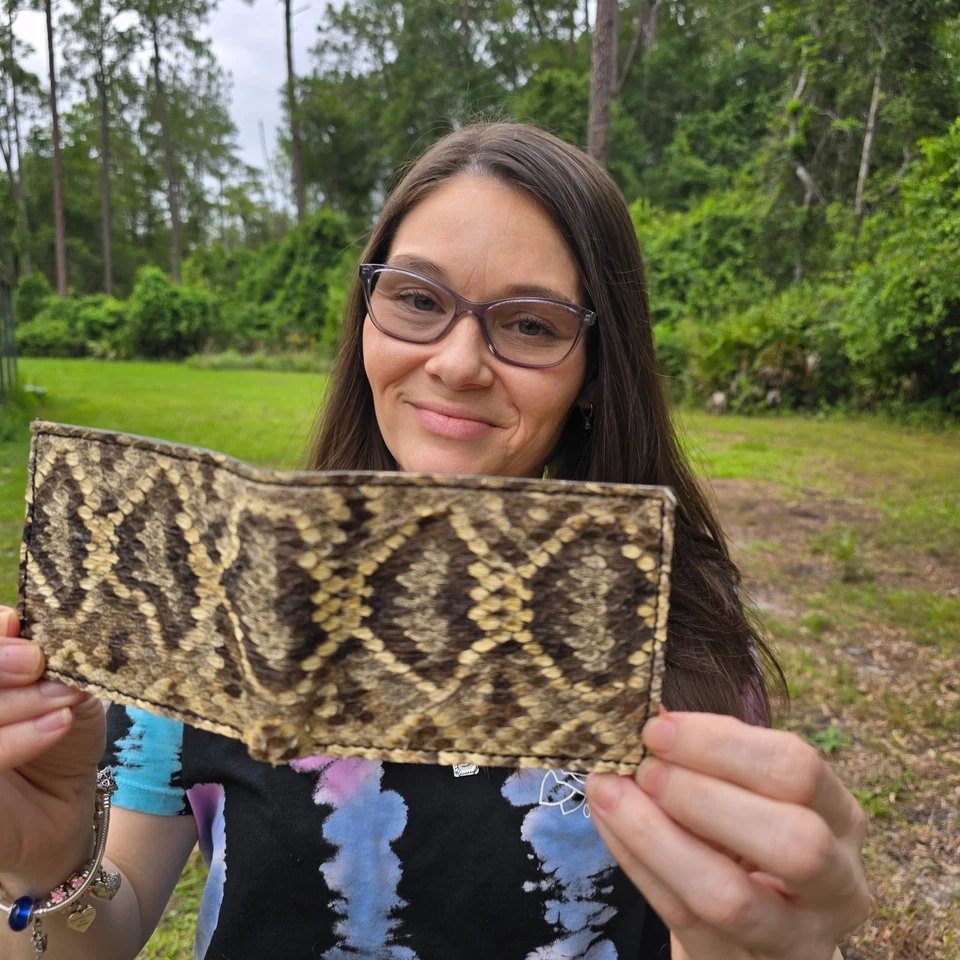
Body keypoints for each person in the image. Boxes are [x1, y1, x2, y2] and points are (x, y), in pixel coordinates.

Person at [0, 122, 870, 960]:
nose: (458, 362)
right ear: (366, 318)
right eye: (417, 299)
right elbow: (95, 938)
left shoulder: (674, 641)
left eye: (530, 324)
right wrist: (45, 866)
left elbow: (727, 927)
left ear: (596, 369)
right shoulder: (212, 596)